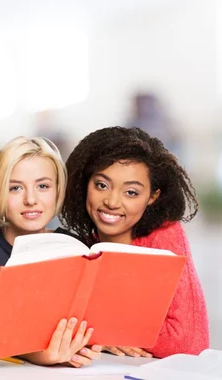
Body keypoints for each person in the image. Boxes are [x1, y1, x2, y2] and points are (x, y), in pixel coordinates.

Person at [60, 126, 209, 358]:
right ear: (84, 183)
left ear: (152, 197)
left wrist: (98, 331)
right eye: (101, 185)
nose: (111, 201)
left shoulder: (165, 235)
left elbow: (186, 341)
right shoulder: (79, 246)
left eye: (131, 192)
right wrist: (105, 337)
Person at [0, 136, 101, 367]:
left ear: (57, 190)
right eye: (15, 188)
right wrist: (38, 352)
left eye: (43, 186)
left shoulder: (73, 245)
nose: (31, 200)